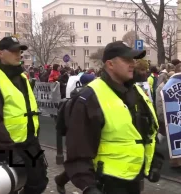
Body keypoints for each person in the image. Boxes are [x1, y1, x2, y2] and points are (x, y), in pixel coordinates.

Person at [63, 41, 164, 194]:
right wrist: (88, 187)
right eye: (126, 60)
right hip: (106, 183)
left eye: (133, 60)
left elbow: (150, 130)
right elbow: (78, 149)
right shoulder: (89, 97)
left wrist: (155, 162)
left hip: (134, 179)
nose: (132, 64)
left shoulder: (137, 92)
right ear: (110, 64)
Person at [0, 36, 49, 194]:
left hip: (30, 142)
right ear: (0, 53)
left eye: (20, 51)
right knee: (8, 187)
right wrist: (9, 152)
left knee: (39, 182)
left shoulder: (22, 76)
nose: (19, 54)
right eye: (13, 51)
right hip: (8, 147)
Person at [54, 73, 95, 194]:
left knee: (81, 164)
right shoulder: (81, 99)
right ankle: (61, 180)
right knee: (80, 164)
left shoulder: (81, 96)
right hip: (78, 136)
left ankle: (60, 180)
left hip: (82, 134)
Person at [156, 64, 181, 168]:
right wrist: (163, 118)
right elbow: (160, 105)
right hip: (172, 118)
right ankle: (176, 161)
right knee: (175, 138)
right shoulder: (163, 87)